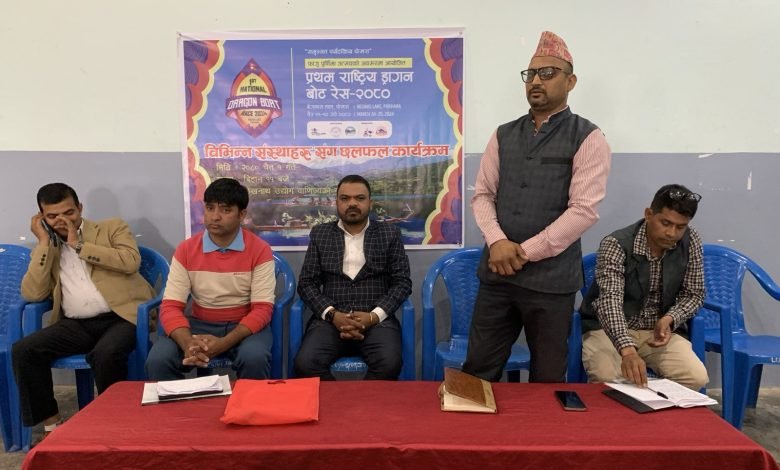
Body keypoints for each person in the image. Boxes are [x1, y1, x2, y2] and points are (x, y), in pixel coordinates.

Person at [463, 31, 612, 383]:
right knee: (478, 371)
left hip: (551, 281)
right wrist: (498, 242)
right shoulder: (503, 134)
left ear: (570, 81)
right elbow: (483, 195)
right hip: (498, 275)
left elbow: (583, 211)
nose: (536, 81)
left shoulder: (588, 137)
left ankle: (539, 425)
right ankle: (473, 421)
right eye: (530, 74)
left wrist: (523, 252)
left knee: (546, 377)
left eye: (548, 73)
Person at [13, 183, 155, 435]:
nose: (63, 221)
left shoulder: (111, 227)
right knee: (25, 350)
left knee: (105, 354)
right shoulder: (48, 247)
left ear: (79, 208)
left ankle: (115, 423)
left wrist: (79, 245)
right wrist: (43, 243)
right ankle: (53, 426)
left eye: (69, 212)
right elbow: (33, 293)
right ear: (41, 217)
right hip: (76, 324)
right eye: (53, 216)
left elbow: (131, 261)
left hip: (121, 317)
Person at [145, 178, 275, 380]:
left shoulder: (260, 250)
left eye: (225, 210)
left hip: (242, 326)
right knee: (158, 360)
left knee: (254, 358)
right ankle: (180, 402)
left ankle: (249, 402)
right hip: (198, 324)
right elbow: (170, 306)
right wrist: (188, 344)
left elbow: (262, 309)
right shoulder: (186, 250)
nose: (215, 217)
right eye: (210, 208)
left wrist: (223, 343)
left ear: (242, 215)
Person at [580, 184, 708, 390]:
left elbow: (694, 294)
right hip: (609, 330)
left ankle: (653, 410)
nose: (671, 233)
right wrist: (627, 349)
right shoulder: (616, 243)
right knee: (608, 378)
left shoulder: (690, 241)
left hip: (658, 334)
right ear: (649, 214)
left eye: (680, 227)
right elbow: (609, 302)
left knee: (695, 377)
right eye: (665, 223)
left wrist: (670, 318)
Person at [294, 175, 412, 380]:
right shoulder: (321, 234)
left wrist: (373, 316)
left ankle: (364, 401)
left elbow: (402, 282)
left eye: (359, 198)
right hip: (330, 321)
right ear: (336, 202)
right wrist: (332, 315)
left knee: (389, 363)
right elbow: (307, 283)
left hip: (376, 321)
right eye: (345, 198)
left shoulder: (389, 234)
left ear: (370, 203)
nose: (352, 203)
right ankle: (338, 401)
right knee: (306, 364)